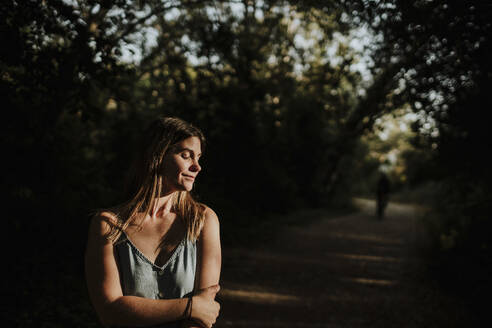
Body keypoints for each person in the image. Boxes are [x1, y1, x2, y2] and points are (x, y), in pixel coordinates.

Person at [85, 117, 221, 328]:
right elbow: (110, 313)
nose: (197, 167)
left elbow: (203, 315)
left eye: (198, 157)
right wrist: (190, 306)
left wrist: (196, 309)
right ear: (156, 155)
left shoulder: (203, 220)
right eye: (186, 156)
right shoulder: (108, 225)